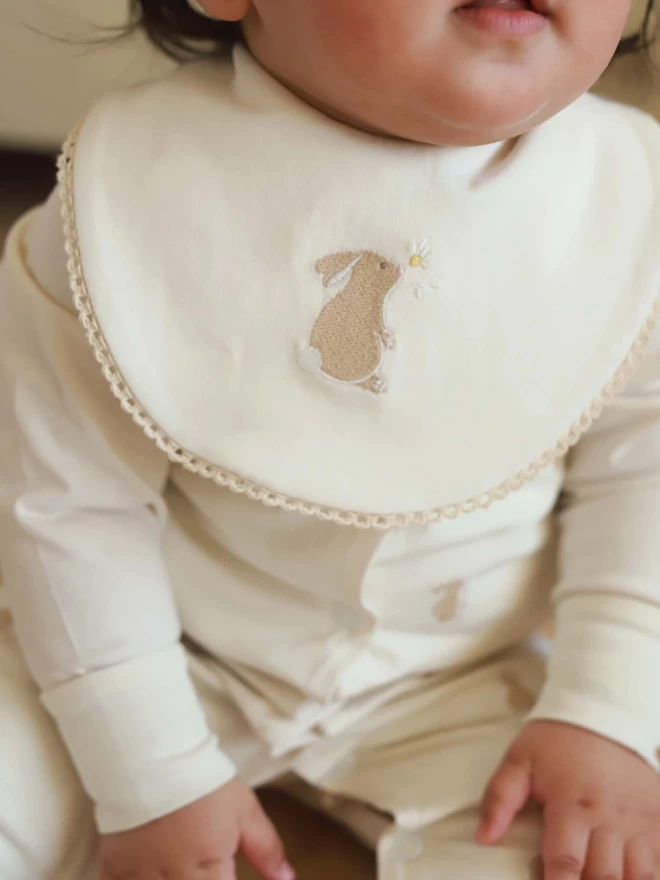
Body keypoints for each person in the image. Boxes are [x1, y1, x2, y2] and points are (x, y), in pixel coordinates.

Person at [0, 0, 659, 878]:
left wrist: (604, 708)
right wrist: (148, 768)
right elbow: (66, 501)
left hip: (468, 683)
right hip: (164, 647)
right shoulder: (129, 208)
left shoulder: (619, 207)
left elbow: (644, 470)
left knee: (582, 851)